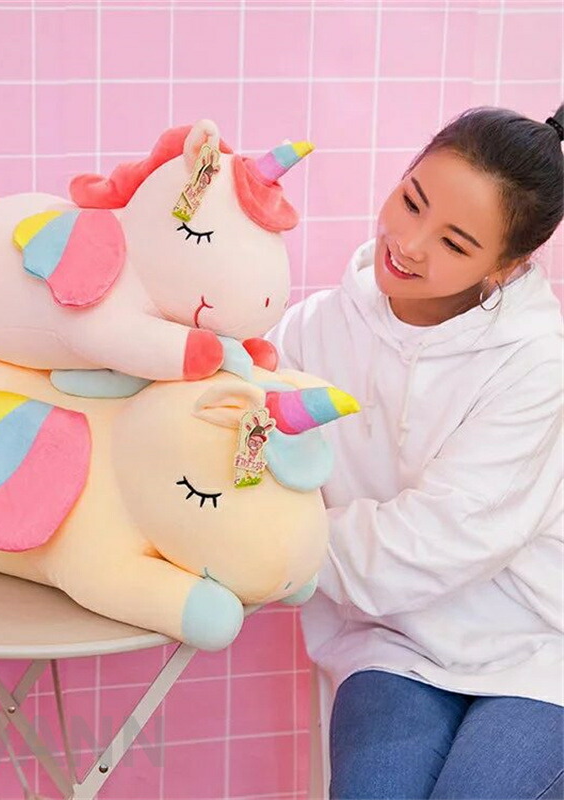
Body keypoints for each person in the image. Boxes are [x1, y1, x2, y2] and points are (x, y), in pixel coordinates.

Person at [267, 105, 564, 799]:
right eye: (411, 201)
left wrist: (274, 550)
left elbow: (444, 537)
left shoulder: (536, 363)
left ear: (506, 266)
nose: (409, 244)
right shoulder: (313, 331)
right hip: (391, 642)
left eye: (455, 243)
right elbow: (238, 441)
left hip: (538, 646)